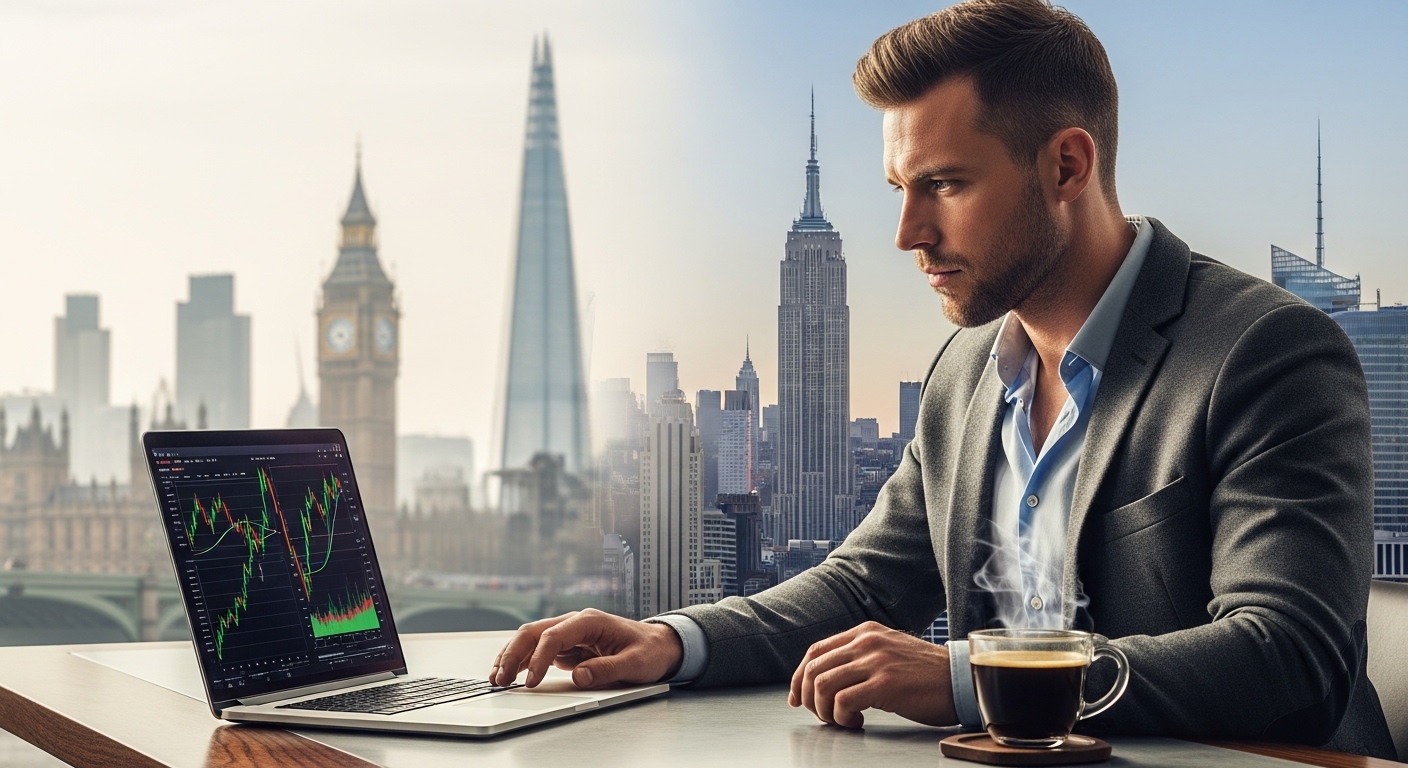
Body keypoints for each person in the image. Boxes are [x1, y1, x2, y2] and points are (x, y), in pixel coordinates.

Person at [490, 0, 1394, 757]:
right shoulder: (966, 371)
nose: (907, 234)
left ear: (1068, 165)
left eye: (945, 185)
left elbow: (1286, 654)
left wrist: (970, 677)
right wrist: (672, 640)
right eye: (900, 190)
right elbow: (863, 587)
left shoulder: (1268, 352)